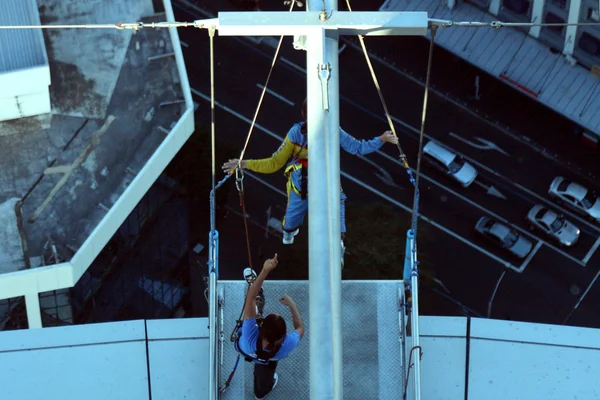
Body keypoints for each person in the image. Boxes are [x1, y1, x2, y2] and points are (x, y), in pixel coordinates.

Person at [222, 99, 398, 263]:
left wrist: (381, 139)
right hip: (301, 184)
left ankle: (339, 243)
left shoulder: (332, 130)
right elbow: (274, 163)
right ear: (304, 115)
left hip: (325, 180)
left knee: (338, 202)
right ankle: (290, 230)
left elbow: (357, 147)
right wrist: (243, 163)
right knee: (290, 223)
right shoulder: (296, 134)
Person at [234, 254, 304, 399]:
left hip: (246, 349)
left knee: (255, 303)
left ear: (261, 328)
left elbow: (250, 298)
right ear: (283, 336)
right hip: (268, 360)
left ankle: (255, 287)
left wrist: (265, 270)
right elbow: (300, 328)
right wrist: (292, 305)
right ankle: (260, 393)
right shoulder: (287, 344)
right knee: (263, 380)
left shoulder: (249, 334)